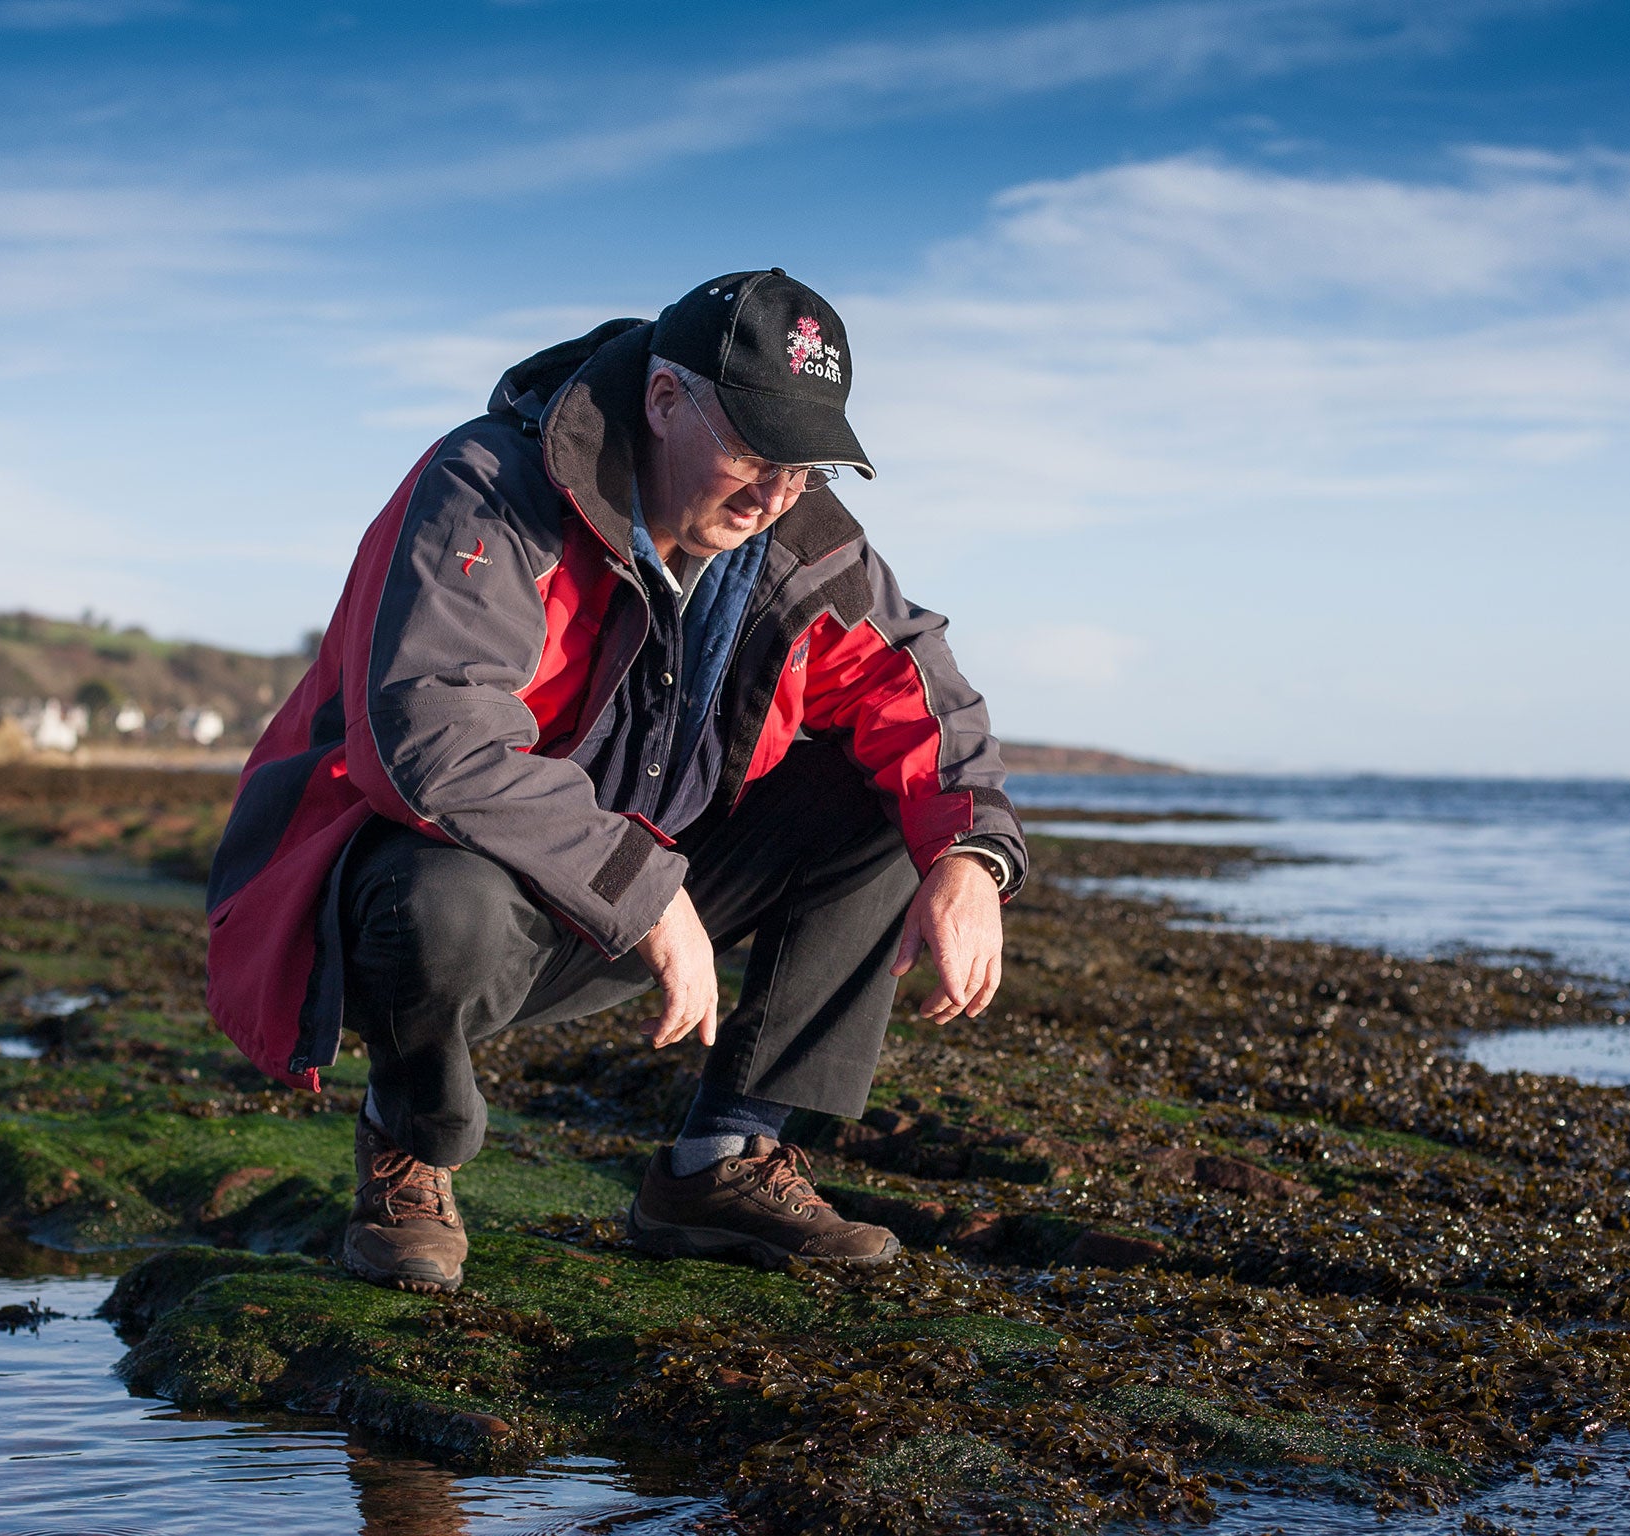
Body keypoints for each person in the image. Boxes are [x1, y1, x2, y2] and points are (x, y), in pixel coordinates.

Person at [204, 269, 1026, 1294]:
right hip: (450, 894)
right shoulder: (486, 485)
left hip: (647, 888)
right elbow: (429, 735)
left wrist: (971, 857)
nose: (775, 491)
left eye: (805, 463)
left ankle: (720, 1163)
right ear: (664, 397)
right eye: (753, 446)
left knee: (888, 810)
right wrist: (643, 885)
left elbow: (922, 697)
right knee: (433, 896)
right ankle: (408, 1151)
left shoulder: (799, 536)